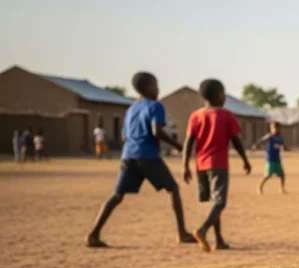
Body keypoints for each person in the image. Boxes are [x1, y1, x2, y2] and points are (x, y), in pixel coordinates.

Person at [86, 72, 192, 248]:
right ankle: (182, 233)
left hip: (128, 155)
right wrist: (178, 145)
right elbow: (156, 131)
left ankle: (94, 233)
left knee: (117, 195)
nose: (158, 89)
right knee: (173, 189)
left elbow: (123, 135)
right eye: (156, 85)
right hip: (147, 155)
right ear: (150, 87)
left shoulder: (132, 108)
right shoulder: (155, 106)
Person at [182, 78, 251, 252]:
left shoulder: (196, 115)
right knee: (220, 202)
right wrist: (245, 160)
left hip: (201, 166)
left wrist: (185, 166)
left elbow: (188, 142)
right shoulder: (226, 115)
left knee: (214, 202)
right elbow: (236, 141)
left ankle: (219, 240)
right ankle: (203, 230)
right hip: (218, 165)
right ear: (220, 95)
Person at [254, 122, 287, 194]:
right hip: (270, 159)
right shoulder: (270, 136)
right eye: (273, 128)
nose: (274, 130)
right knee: (268, 175)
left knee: (282, 174)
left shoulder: (280, 137)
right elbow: (262, 140)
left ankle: (282, 189)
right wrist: (256, 145)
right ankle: (260, 187)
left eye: (276, 128)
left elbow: (283, 145)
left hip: (277, 159)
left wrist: (285, 148)